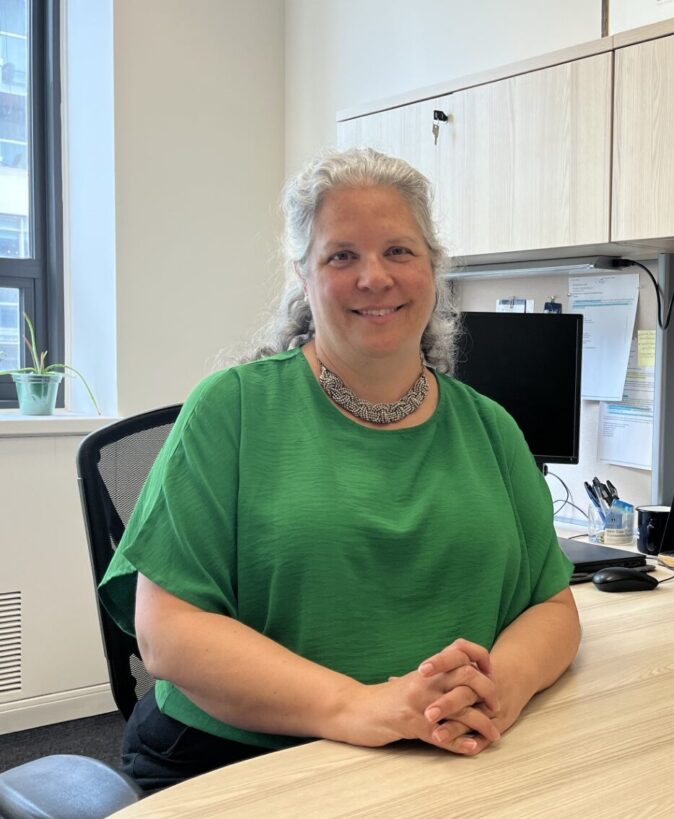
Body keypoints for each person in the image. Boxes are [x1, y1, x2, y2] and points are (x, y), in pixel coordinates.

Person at [98, 147, 581, 793]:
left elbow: (551, 605)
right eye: (342, 255)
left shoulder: (489, 426)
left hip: (442, 756)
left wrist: (498, 689)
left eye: (399, 251)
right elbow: (169, 635)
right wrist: (361, 705)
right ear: (304, 273)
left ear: (432, 266)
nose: (374, 277)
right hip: (238, 762)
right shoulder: (232, 410)